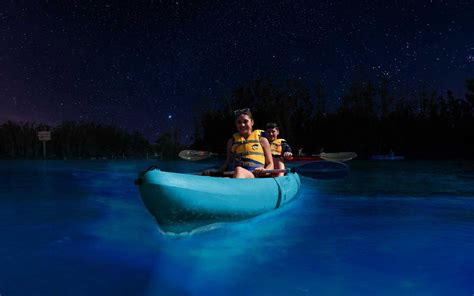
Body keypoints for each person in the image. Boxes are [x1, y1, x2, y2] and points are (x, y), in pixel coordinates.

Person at [205, 108, 274, 178]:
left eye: (245, 121)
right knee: (235, 173)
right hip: (232, 174)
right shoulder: (231, 142)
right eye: (239, 122)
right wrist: (216, 172)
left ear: (252, 122)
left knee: (239, 170)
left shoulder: (262, 140)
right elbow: (227, 162)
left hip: (253, 175)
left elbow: (270, 164)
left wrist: (265, 171)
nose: (242, 125)